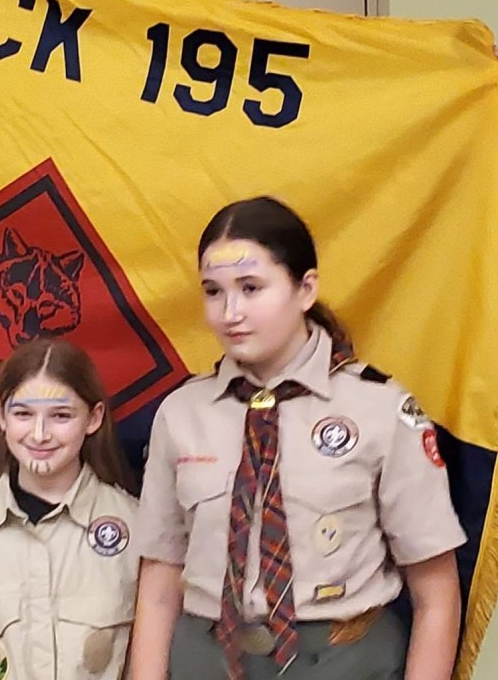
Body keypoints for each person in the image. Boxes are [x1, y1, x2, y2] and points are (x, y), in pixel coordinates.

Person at [129, 196, 466, 680]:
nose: (231, 312)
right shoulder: (182, 413)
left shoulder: (378, 408)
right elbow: (159, 582)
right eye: (212, 291)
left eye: (251, 288)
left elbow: (436, 592)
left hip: (340, 660)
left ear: (305, 289)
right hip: (205, 659)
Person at [0, 339, 139, 680]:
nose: (40, 434)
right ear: (2, 417)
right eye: (23, 414)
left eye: (61, 416)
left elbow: (161, 656)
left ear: (93, 418)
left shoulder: (136, 529)